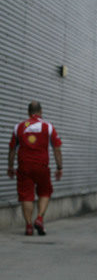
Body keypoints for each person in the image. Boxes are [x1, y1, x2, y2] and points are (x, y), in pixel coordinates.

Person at [7, 101, 62, 235]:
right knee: (45, 192)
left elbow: (12, 149)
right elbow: (56, 149)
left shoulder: (18, 127)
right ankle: (39, 218)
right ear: (41, 112)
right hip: (42, 167)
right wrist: (59, 167)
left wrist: (10, 166)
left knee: (27, 196)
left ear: (28, 112)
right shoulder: (48, 127)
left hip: (24, 167)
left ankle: (29, 226)